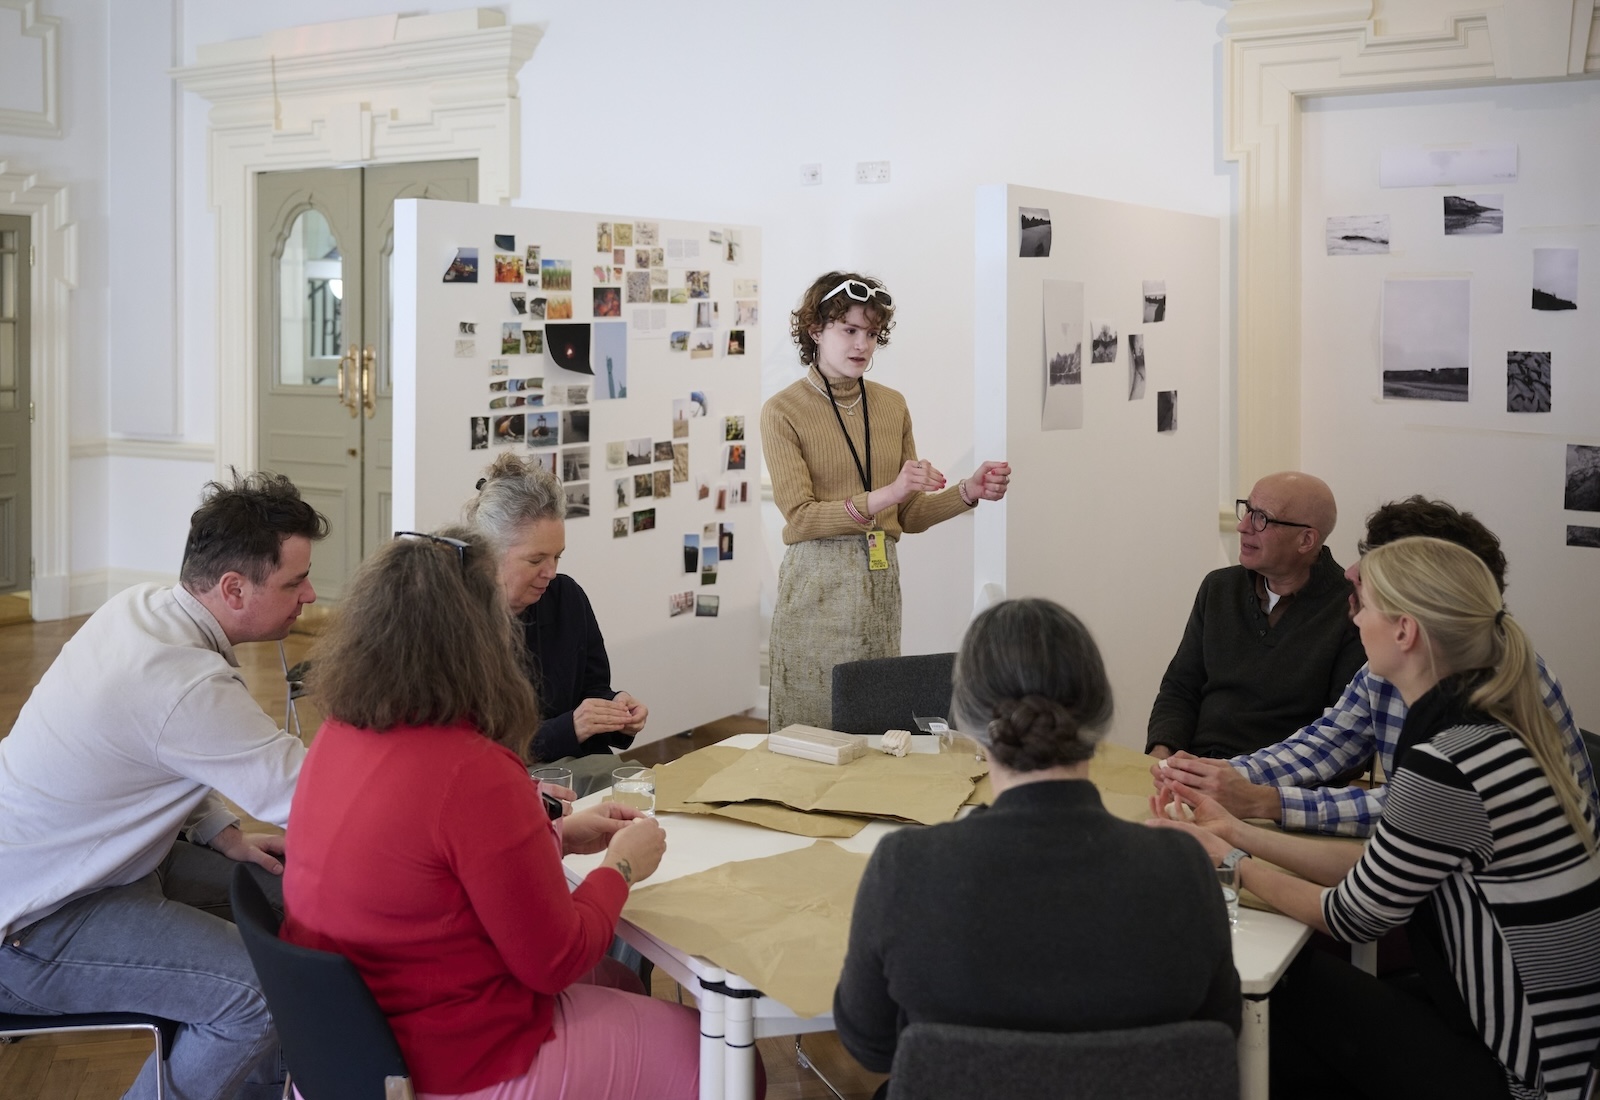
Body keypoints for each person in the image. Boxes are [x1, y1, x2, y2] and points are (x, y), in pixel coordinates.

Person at [1150, 537, 1600, 1100]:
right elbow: (1377, 863)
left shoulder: (1448, 762)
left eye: (1362, 608)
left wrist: (1230, 862)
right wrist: (1234, 830)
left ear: (1405, 632)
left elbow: (1349, 916)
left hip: (1521, 1075)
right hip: (1550, 1050)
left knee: (1263, 997)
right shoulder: (1494, 723)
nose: (1355, 621)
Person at [281, 527, 710, 1100]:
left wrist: (553, 836)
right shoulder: (473, 769)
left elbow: (429, 869)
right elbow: (554, 961)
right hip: (446, 1056)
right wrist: (621, 869)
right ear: (479, 640)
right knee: (722, 1063)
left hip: (350, 1039)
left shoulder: (337, 734)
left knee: (618, 980)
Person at [0, 470, 327, 1100]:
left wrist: (219, 831)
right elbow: (308, 797)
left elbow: (163, 747)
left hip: (99, 869)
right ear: (234, 588)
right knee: (258, 996)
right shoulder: (179, 679)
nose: (311, 594)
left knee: (304, 902)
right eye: (295, 581)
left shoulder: (142, 609)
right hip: (34, 923)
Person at [835, 599, 1239, 1088]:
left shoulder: (906, 869)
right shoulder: (1184, 869)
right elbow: (1222, 1032)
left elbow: (871, 1045)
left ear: (965, 717)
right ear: (1103, 712)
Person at [1153, 496, 1595, 835]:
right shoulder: (1391, 667)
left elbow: (1412, 808)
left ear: (1418, 600)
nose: (1350, 571)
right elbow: (1327, 742)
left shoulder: (1496, 692)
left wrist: (1262, 801)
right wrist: (1214, 776)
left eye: (1375, 566)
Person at [762, 271, 1010, 731]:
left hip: (879, 586)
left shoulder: (891, 404)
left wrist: (967, 492)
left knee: (874, 724)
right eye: (849, 330)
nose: (862, 345)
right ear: (815, 330)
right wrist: (888, 494)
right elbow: (801, 516)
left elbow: (908, 515)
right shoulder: (783, 410)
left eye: (872, 334)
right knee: (812, 728)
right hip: (816, 588)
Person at [1147, 470, 1364, 759]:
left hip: (1283, 785)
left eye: (1262, 517)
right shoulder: (1219, 587)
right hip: (1197, 766)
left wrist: (1242, 781)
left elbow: (1343, 736)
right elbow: (1180, 687)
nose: (1243, 526)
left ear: (1306, 540)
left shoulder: (1350, 607)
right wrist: (1162, 754)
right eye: (1247, 510)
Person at [465, 452, 647, 795]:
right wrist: (571, 727)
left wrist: (617, 712)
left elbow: (592, 690)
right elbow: (472, 748)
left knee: (648, 795)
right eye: (536, 560)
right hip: (505, 783)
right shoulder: (458, 623)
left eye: (557, 557)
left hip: (579, 769)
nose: (550, 572)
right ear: (488, 553)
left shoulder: (566, 597)